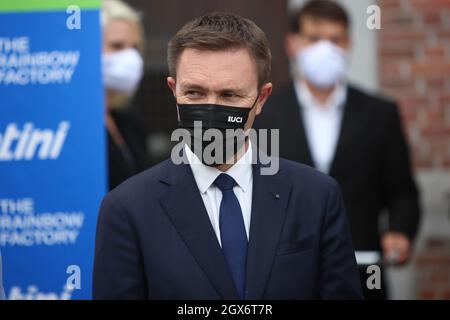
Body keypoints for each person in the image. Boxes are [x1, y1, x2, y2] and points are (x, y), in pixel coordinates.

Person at [93, 12, 363, 300]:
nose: (211, 109)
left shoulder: (316, 197)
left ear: (261, 99)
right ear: (174, 91)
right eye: (195, 93)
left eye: (230, 95)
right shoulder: (127, 209)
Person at [254, 0, 421, 299]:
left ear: (349, 44)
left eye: (335, 40)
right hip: (282, 279)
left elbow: (403, 191)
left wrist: (400, 230)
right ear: (293, 44)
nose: (325, 49)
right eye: (315, 39)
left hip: (362, 274)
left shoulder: (379, 113)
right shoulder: (264, 114)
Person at [101, 0, 150, 190]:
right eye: (117, 46)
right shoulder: (69, 126)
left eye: (135, 48)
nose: (130, 58)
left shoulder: (129, 121)